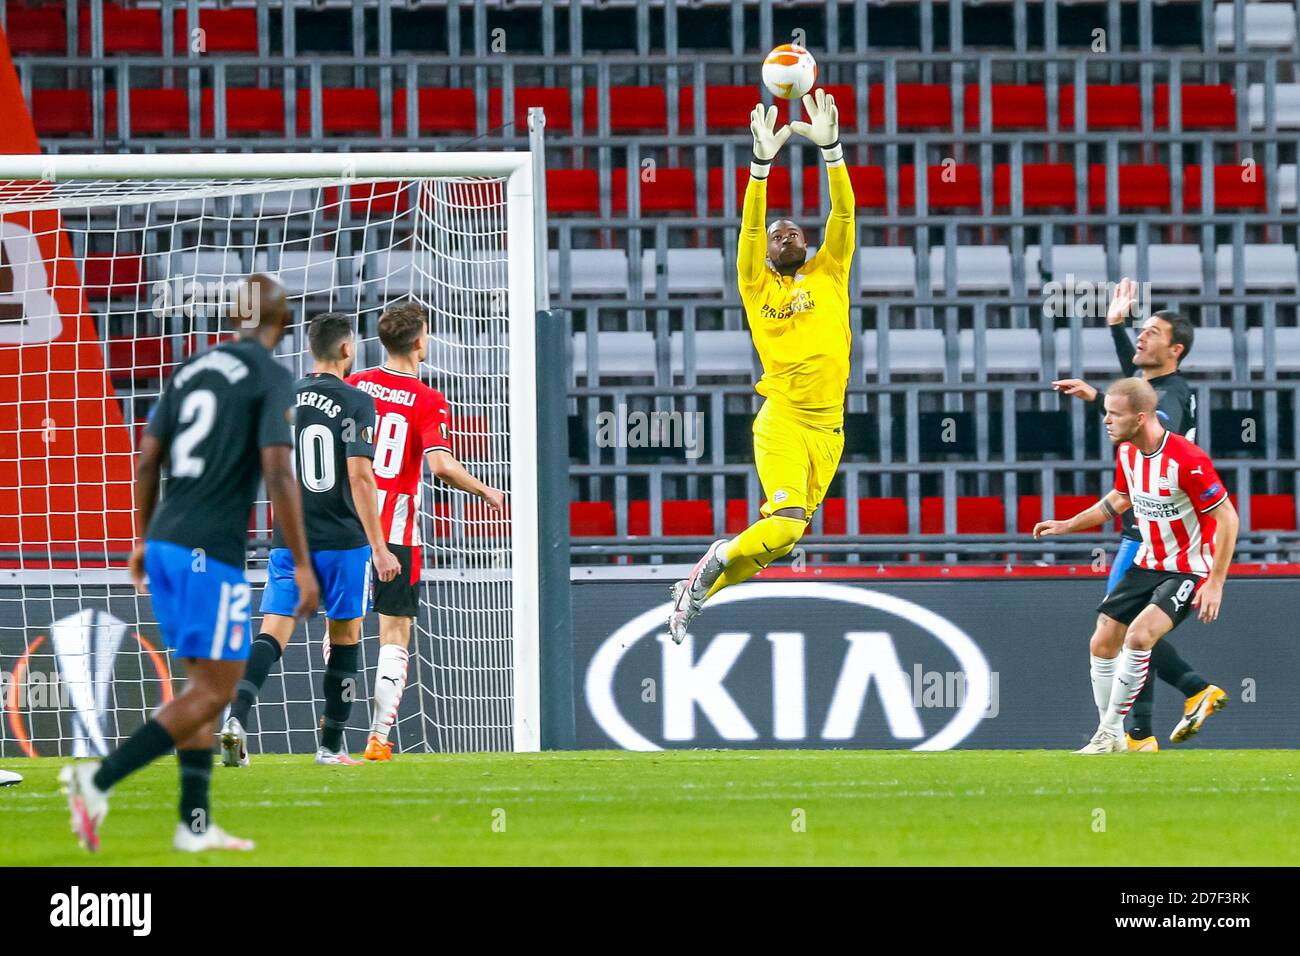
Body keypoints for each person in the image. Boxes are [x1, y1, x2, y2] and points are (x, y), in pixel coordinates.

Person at [61, 274, 318, 852]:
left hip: (170, 545)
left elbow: (147, 459)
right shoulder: (270, 376)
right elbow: (278, 471)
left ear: (235, 318)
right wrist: (302, 564)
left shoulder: (189, 369)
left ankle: (194, 825)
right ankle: (96, 780)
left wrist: (142, 538)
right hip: (212, 553)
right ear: (282, 324)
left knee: (200, 686)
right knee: (215, 693)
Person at [668, 89, 855, 643]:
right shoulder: (756, 283)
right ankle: (719, 555)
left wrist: (833, 153)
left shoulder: (830, 269)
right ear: (767, 252)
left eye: (795, 229)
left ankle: (695, 594)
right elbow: (750, 229)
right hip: (785, 421)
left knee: (783, 539)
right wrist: (760, 168)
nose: (787, 233)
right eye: (777, 235)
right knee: (788, 521)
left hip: (830, 429)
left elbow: (842, 212)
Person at [220, 312, 400, 768]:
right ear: (346, 350)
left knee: (272, 632)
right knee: (344, 636)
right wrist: (380, 547)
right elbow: (360, 477)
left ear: (308, 350)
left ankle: (235, 718)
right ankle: (331, 746)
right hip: (343, 540)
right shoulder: (358, 402)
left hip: (291, 539)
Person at [1053, 279, 1226, 749]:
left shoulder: (1167, 399)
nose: (1141, 337)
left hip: (1154, 535)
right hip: (1146, 529)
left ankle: (1140, 731)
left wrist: (1100, 391)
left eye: (1150, 332)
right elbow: (1132, 403)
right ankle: (1163, 712)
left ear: (1176, 349)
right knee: (1119, 634)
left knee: (1133, 633)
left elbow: (1144, 418)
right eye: (1140, 330)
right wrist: (1116, 328)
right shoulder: (1155, 393)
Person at [1034, 378, 1238, 755]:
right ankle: (1113, 735)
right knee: (1103, 639)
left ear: (1140, 417)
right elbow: (1118, 500)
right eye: (1107, 412)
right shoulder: (1128, 453)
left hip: (1188, 569)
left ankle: (1110, 733)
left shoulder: (1187, 460)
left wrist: (1216, 581)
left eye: (1114, 414)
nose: (1107, 420)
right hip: (1147, 562)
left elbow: (1227, 517)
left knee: (1140, 636)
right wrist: (1067, 524)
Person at [347, 302, 505, 760]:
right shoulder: (427, 399)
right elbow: (439, 466)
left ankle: (332, 728)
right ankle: (378, 737)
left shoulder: (356, 386)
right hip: (397, 533)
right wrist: (485, 490)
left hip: (350, 524)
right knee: (394, 634)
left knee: (342, 629)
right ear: (419, 342)